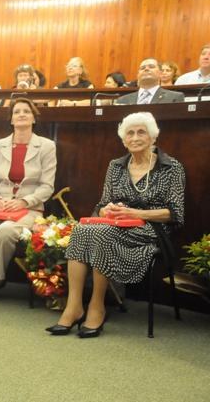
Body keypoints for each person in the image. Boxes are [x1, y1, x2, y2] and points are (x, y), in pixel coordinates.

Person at [46, 112, 185, 338]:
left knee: (102, 233)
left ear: (152, 137)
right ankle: (73, 307)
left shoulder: (171, 167)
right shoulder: (116, 166)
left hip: (151, 230)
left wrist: (135, 212)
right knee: (81, 230)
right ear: (123, 140)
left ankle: (96, 306)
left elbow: (175, 213)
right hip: (114, 225)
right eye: (130, 133)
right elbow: (102, 204)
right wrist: (106, 210)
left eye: (141, 132)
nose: (135, 137)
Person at [0, 98, 56, 300]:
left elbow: (47, 186)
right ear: (11, 119)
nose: (22, 115)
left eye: (27, 111)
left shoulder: (47, 146)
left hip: (29, 208)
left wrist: (24, 201)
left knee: (6, 231)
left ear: (34, 118)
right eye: (17, 112)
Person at [116, 58, 184, 105]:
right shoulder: (122, 100)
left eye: (151, 67)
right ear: (138, 75)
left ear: (160, 73)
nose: (146, 69)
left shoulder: (174, 97)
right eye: (142, 68)